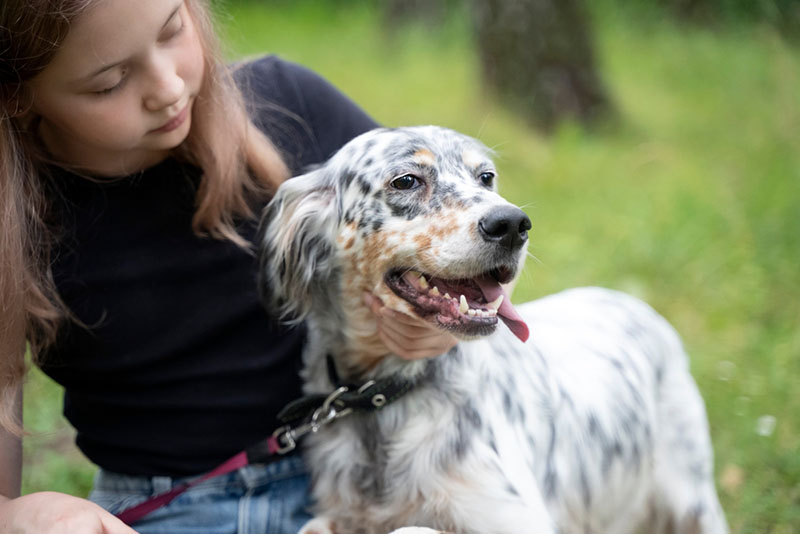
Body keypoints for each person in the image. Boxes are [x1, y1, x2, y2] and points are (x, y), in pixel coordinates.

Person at [0, 1, 458, 532]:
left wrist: (434, 323)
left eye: (173, 28)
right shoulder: (17, 222)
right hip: (168, 509)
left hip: (360, 474)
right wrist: (19, 515)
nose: (168, 87)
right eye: (110, 82)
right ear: (14, 94)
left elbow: (463, 227)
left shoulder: (289, 102)